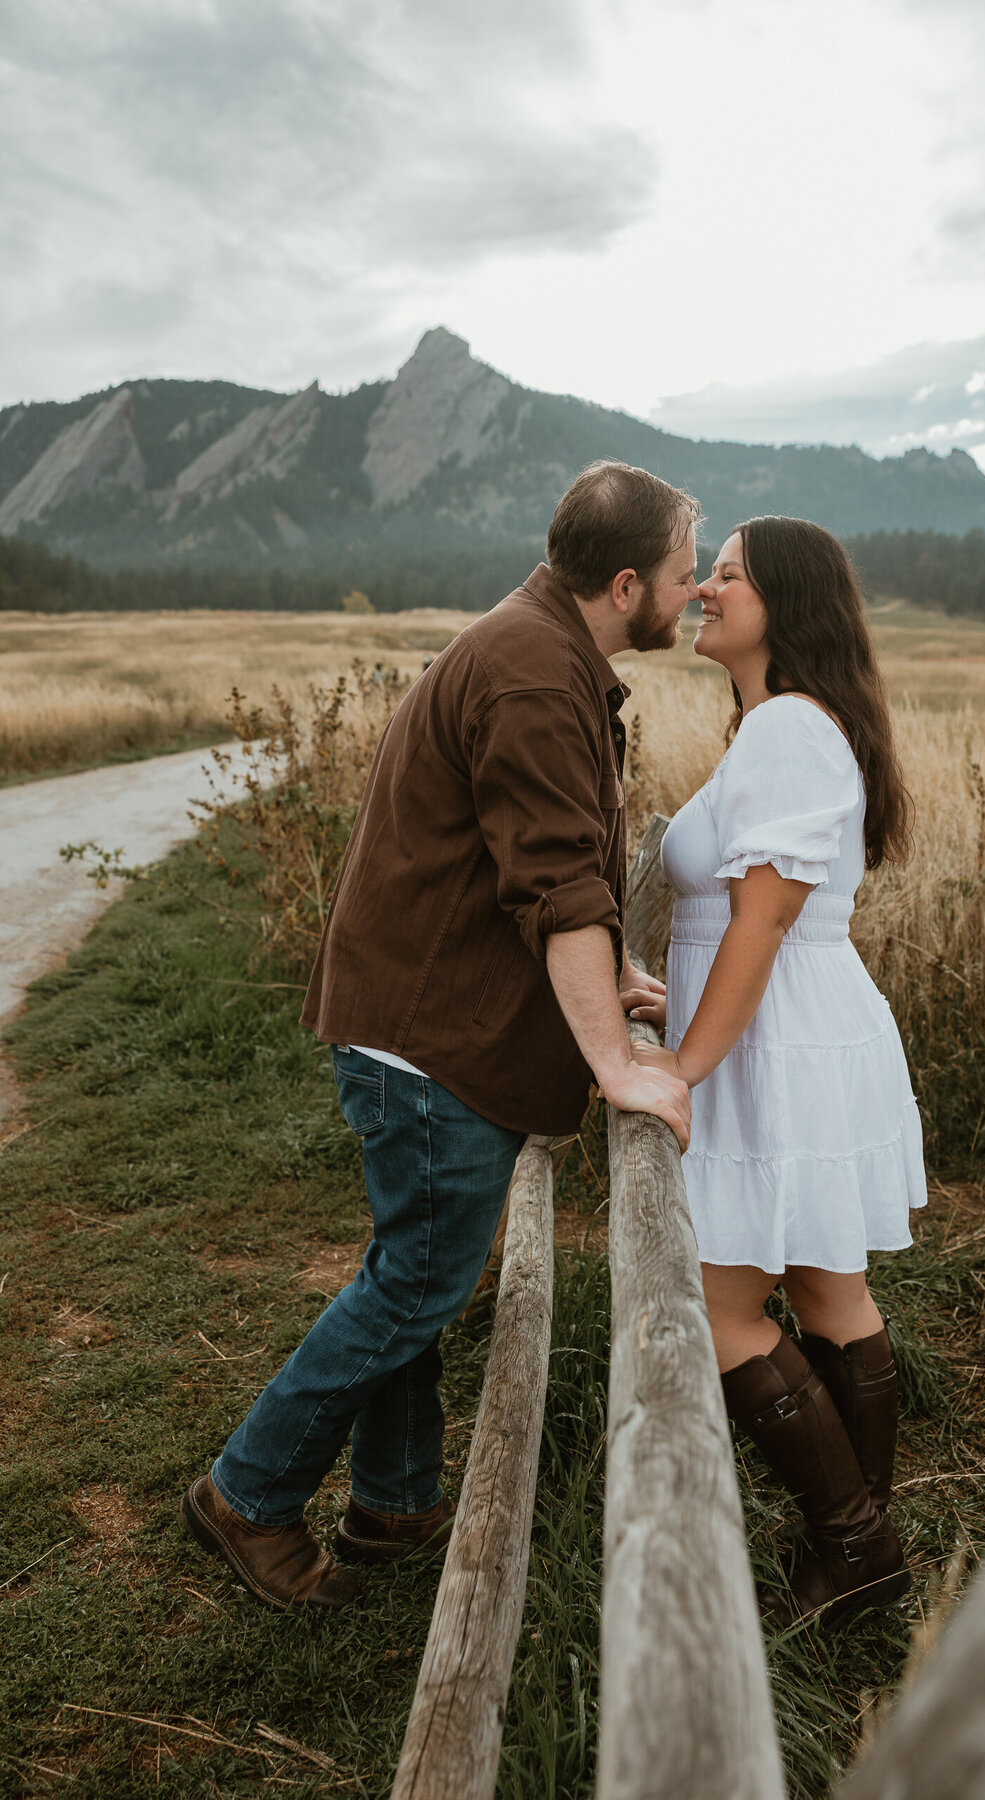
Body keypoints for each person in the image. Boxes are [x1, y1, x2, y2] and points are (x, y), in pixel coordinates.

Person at [181, 461, 695, 1610]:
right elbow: (556, 886)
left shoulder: (546, 653)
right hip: (427, 1037)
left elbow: (542, 860)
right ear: (624, 584)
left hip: (421, 1017)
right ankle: (248, 1495)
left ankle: (396, 1501)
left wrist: (618, 972)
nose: (692, 591)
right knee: (418, 1283)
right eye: (679, 573)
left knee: (414, 1268)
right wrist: (615, 1064)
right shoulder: (529, 676)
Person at [634, 515, 926, 1629]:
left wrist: (684, 1068)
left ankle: (852, 1546)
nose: (704, 588)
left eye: (729, 575)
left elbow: (761, 923)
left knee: (716, 1308)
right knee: (821, 1287)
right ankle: (863, 1549)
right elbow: (732, 923)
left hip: (779, 1044)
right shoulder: (776, 725)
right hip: (782, 1027)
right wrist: (679, 998)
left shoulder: (793, 727)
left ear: (786, 603)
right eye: (708, 572)